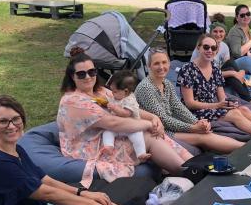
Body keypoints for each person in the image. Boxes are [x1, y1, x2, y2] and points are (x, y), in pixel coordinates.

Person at [0, 95, 146, 205]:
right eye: (3, 122)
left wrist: (84, 193)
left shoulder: (17, 150)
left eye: (16, 119)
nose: (12, 126)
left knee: (103, 202)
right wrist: (88, 203)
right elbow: (48, 193)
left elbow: (46, 180)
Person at [58, 48, 192, 187]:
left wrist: (153, 117)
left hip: (111, 136)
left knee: (150, 133)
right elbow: (113, 123)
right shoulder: (73, 101)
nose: (87, 77)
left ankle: (193, 164)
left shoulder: (101, 91)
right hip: (93, 146)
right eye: (81, 74)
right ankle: (188, 172)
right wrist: (147, 124)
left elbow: (128, 109)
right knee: (148, 136)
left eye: (91, 72)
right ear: (72, 77)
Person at [136, 49, 244, 153]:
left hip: (172, 127)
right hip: (158, 132)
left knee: (205, 133)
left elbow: (178, 107)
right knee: (203, 137)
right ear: (149, 66)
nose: (161, 67)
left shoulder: (166, 84)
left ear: (169, 64)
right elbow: (163, 119)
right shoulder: (146, 88)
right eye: (156, 63)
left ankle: (245, 149)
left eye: (164, 62)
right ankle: (245, 150)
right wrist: (193, 128)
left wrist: (196, 122)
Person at [178, 33, 251, 135]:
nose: (210, 50)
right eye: (206, 47)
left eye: (213, 48)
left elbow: (222, 97)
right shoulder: (187, 70)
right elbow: (190, 104)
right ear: (198, 48)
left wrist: (228, 104)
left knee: (243, 109)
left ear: (216, 51)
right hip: (194, 112)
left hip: (213, 108)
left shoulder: (215, 69)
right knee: (235, 114)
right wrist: (217, 105)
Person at [191, 16, 251, 101]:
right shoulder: (204, 48)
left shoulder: (224, 46)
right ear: (210, 33)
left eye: (221, 31)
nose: (218, 34)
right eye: (215, 31)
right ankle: (250, 100)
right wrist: (233, 73)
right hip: (203, 78)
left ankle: (247, 96)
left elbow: (227, 64)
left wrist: (238, 72)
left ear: (225, 33)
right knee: (231, 73)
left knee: (231, 63)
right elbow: (207, 73)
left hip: (216, 74)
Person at [102, 71, 150, 162]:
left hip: (130, 127)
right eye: (112, 90)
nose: (112, 93)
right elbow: (112, 101)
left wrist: (114, 108)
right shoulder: (118, 97)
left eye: (115, 91)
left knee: (138, 136)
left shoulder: (130, 100)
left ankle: (141, 153)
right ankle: (109, 146)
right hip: (117, 127)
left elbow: (126, 113)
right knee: (107, 132)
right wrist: (106, 102)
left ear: (126, 91)